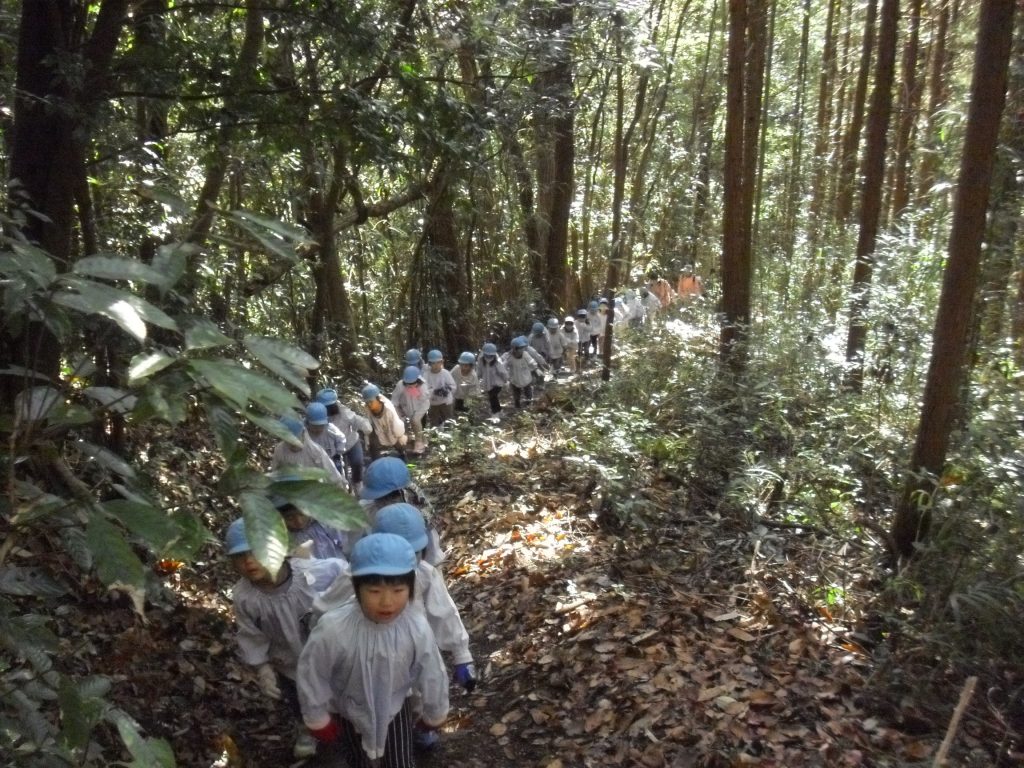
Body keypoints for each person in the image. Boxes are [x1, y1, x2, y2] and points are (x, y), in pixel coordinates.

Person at [297, 534, 449, 767]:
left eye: (398, 591)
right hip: (348, 710)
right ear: (357, 589)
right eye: (375, 592)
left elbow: (432, 672)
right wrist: (317, 716)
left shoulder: (416, 627)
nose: (387, 602)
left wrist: (434, 711)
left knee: (399, 762)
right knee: (358, 761)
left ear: (410, 588)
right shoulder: (333, 628)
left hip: (394, 709)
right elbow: (312, 671)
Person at [314, 504, 475, 695]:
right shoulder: (359, 575)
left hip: (411, 649)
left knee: (415, 698)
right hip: (365, 649)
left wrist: (462, 655)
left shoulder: (423, 573)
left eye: (414, 553)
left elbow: (443, 611)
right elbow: (325, 607)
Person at [225, 517, 346, 759]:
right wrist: (262, 668)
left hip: (328, 653)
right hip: (289, 662)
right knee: (300, 698)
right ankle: (310, 729)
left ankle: (350, 726)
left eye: (256, 550)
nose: (249, 561)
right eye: (240, 556)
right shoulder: (245, 597)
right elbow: (250, 633)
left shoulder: (308, 574)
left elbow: (341, 572)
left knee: (340, 690)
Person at [349, 457, 444, 566]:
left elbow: (431, 553)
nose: (384, 501)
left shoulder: (418, 513)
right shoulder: (366, 511)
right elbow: (353, 548)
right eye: (381, 498)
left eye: (391, 497)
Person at [316, 388, 371, 493]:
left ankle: (358, 482)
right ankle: (341, 490)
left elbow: (357, 420)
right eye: (327, 406)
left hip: (350, 443)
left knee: (357, 462)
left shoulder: (344, 412)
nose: (330, 408)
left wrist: (366, 427)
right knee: (335, 471)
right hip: (332, 448)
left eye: (331, 405)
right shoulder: (318, 418)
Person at [271, 485, 348, 560]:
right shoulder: (285, 537)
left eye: (302, 514)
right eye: (290, 518)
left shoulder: (322, 523)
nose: (299, 522)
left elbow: (345, 541)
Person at [271, 414, 347, 487]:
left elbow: (334, 477)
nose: (293, 443)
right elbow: (275, 473)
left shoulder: (315, 451)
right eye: (289, 441)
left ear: (303, 433)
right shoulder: (280, 451)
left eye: (296, 439)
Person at [392, 366, 431, 456]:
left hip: (421, 406)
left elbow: (425, 398)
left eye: (412, 383)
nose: (410, 385)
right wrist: (398, 413)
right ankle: (416, 441)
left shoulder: (423, 385)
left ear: (418, 380)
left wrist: (416, 392)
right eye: (408, 383)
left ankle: (419, 443)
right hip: (406, 408)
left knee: (415, 421)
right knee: (408, 424)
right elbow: (395, 400)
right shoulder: (400, 385)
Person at [362, 384, 407, 460]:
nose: (369, 405)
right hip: (377, 429)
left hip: (392, 429)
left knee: (398, 442)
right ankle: (375, 460)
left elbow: (397, 425)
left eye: (371, 402)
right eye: (367, 402)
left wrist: (400, 436)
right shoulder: (367, 409)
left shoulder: (388, 409)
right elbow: (367, 424)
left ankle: (403, 455)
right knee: (372, 441)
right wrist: (367, 439)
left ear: (378, 399)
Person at [305, 402, 348, 479]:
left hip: (332, 458)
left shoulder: (331, 429)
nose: (317, 429)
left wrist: (339, 452)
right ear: (308, 423)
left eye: (320, 426)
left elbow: (341, 438)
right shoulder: (304, 432)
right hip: (312, 462)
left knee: (337, 477)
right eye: (314, 426)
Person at [502, 336, 540, 408]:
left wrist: (536, 369)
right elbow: (504, 366)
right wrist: (505, 377)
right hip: (515, 378)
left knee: (528, 391)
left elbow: (532, 362)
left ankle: (528, 403)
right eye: (520, 348)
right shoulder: (509, 357)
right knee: (516, 393)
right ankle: (517, 404)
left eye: (523, 348)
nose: (522, 349)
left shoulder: (525, 354)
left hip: (526, 377)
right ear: (515, 349)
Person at [422, 350, 456, 427]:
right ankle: (436, 438)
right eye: (433, 363)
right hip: (433, 403)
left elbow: (453, 386)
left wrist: (446, 390)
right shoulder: (426, 375)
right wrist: (433, 391)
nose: (436, 365)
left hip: (446, 402)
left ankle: (449, 437)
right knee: (434, 423)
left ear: (441, 362)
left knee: (449, 421)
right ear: (429, 364)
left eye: (438, 362)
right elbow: (424, 390)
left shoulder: (445, 373)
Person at [476, 342, 508, 415]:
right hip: (488, 383)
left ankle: (495, 411)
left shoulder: (497, 361)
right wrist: (476, 379)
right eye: (487, 355)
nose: (489, 357)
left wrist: (506, 380)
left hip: (497, 383)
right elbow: (479, 370)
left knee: (493, 396)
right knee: (492, 397)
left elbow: (503, 371)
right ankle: (498, 410)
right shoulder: (480, 360)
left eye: (491, 356)